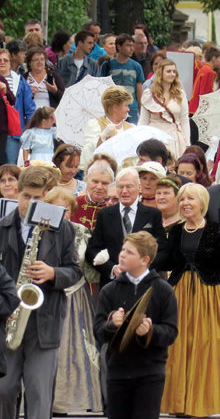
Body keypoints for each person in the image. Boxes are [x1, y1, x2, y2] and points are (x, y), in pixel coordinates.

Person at [0, 166, 82, 419]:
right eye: (26, 196)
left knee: (39, 392)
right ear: (17, 193)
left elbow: (75, 271)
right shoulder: (2, 226)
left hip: (44, 322)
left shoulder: (64, 229)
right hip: (7, 321)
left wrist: (53, 273)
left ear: (47, 196)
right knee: (4, 389)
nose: (30, 203)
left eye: (37, 198)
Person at [153, 183, 220, 416]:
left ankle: (202, 403)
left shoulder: (216, 230)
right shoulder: (176, 230)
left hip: (209, 295)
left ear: (202, 203)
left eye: (191, 199)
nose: (186, 203)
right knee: (177, 347)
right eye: (183, 199)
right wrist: (144, 256)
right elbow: (166, 260)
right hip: (179, 294)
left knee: (207, 346)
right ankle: (178, 403)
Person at [93, 231, 178, 419]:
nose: (122, 254)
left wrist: (151, 331)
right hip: (117, 372)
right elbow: (98, 331)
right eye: (122, 250)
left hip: (150, 373)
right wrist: (111, 325)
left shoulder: (163, 290)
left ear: (145, 259)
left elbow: (171, 332)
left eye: (129, 252)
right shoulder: (109, 290)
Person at [44, 187, 102, 415]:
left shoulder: (82, 232)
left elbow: (87, 267)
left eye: (66, 209)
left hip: (76, 296)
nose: (62, 213)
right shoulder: (40, 231)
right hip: (47, 295)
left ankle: (72, 399)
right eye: (57, 208)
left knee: (75, 350)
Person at [86, 167, 166, 287]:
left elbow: (162, 250)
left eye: (129, 186)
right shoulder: (105, 214)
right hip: (112, 285)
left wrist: (141, 269)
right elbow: (92, 250)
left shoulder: (152, 215)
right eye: (120, 187)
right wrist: (113, 269)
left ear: (139, 188)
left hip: (144, 284)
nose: (124, 191)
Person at [139, 59, 189, 159]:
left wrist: (187, 142)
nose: (172, 74)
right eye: (168, 71)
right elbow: (143, 120)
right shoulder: (149, 94)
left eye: (174, 71)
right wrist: (139, 139)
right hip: (154, 135)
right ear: (161, 73)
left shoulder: (180, 94)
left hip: (173, 136)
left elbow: (184, 119)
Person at [80, 85, 135, 171]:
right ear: (115, 107)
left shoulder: (131, 128)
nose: (128, 109)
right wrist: (102, 139)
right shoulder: (95, 125)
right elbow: (88, 153)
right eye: (126, 105)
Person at [0, 49, 36, 166]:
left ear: (10, 63)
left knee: (10, 165)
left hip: (13, 129)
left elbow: (29, 107)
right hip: (2, 127)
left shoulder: (20, 80)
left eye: (5, 60)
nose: (2, 62)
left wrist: (29, 128)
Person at [99, 34, 144, 124]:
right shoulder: (108, 65)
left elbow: (139, 90)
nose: (131, 49)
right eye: (128, 45)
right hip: (113, 107)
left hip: (132, 108)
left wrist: (141, 109)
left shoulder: (136, 66)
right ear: (119, 46)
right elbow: (102, 86)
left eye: (132, 46)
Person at [72, 161, 114, 231]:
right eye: (95, 182)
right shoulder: (74, 203)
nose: (99, 187)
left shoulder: (115, 207)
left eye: (104, 183)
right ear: (86, 181)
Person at [188, 45, 220, 114]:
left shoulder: (204, 69)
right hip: (198, 110)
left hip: (194, 107)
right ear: (214, 58)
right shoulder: (209, 72)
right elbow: (205, 94)